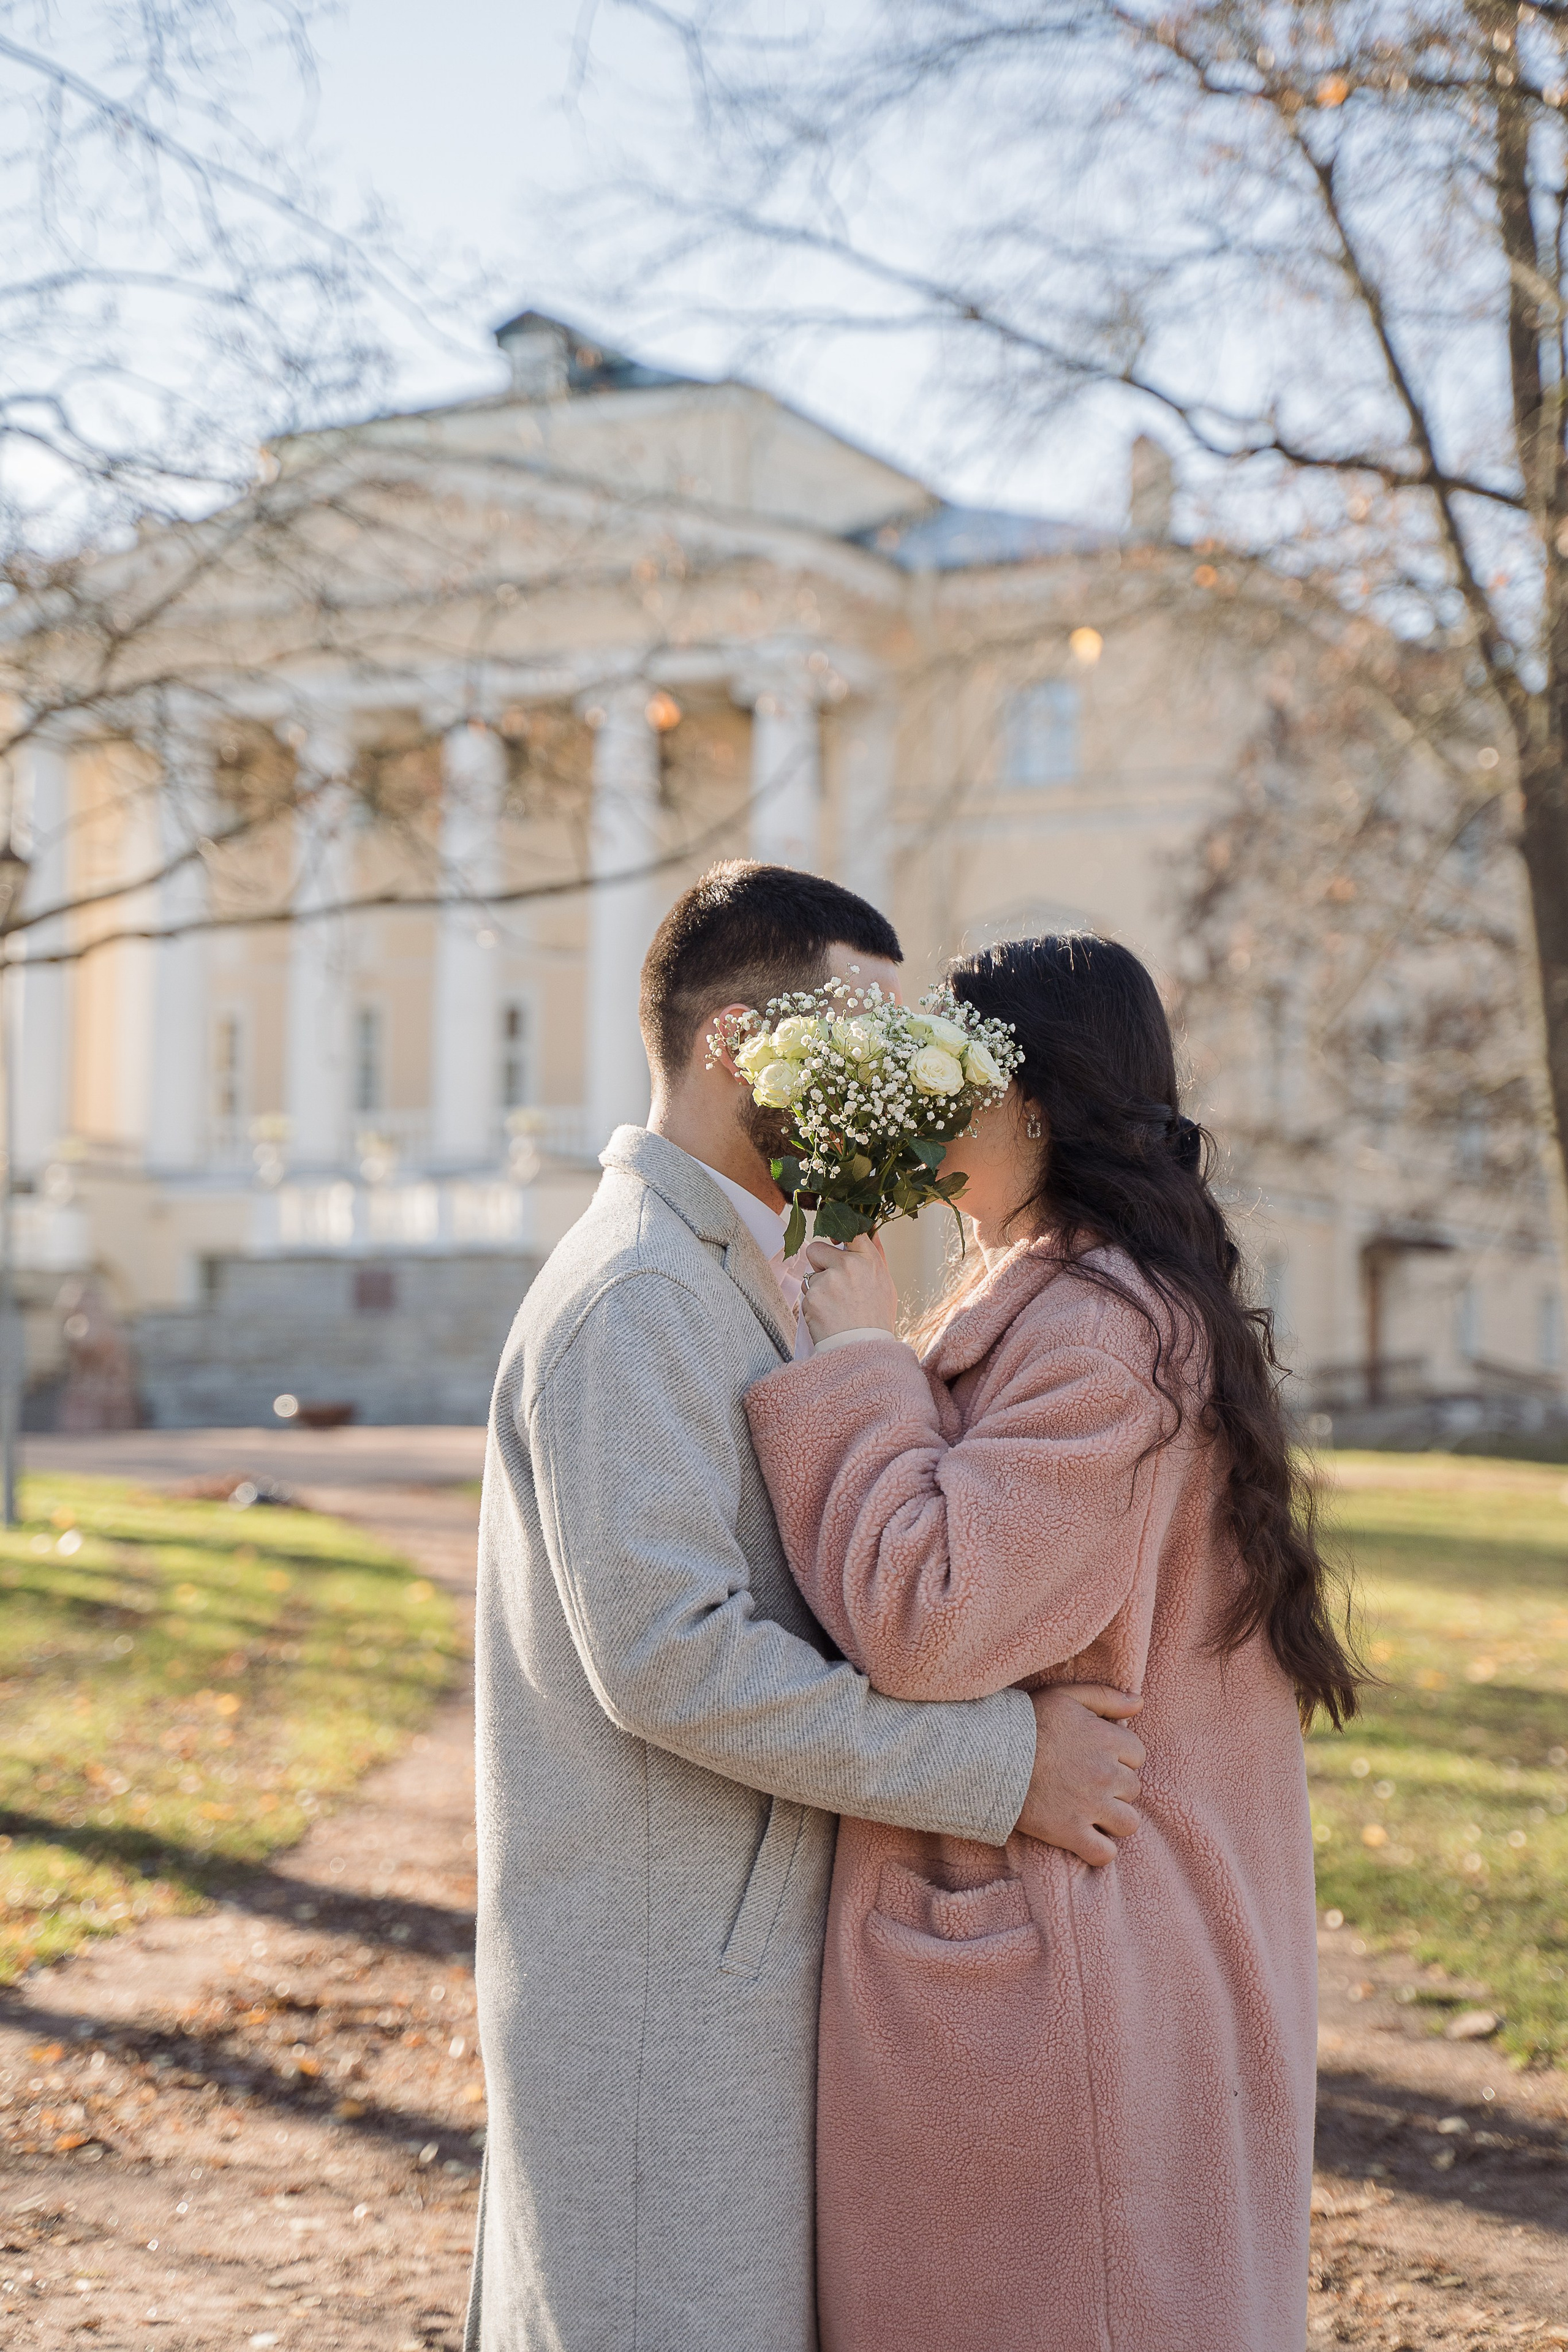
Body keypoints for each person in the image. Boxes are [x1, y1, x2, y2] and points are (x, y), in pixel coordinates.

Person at [464, 867, 1147, 2352]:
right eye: (863, 1038)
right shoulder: (636, 1295)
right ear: (733, 1050)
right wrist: (1001, 1768)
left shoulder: (752, 1271)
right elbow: (668, 1658)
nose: (900, 1083)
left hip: (742, 1979)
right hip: (662, 2002)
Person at [744, 932, 1362, 2352]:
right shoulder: (1069, 1296)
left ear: (1028, 1100)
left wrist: (853, 1368)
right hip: (1069, 1956)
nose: (923, 1116)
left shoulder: (1099, 1329)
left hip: (1074, 1973)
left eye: (950, 1078)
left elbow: (933, 1612)